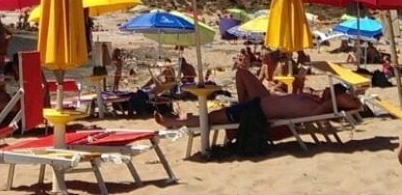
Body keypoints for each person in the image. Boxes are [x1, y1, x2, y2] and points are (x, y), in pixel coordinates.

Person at [154, 66, 360, 130]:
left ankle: (173, 122)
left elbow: (350, 103)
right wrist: (299, 84)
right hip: (258, 102)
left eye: (329, 89)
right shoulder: (314, 101)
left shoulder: (319, 109)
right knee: (242, 72)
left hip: (256, 111)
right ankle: (180, 119)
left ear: (334, 94)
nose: (324, 89)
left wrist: (341, 95)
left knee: (214, 116)